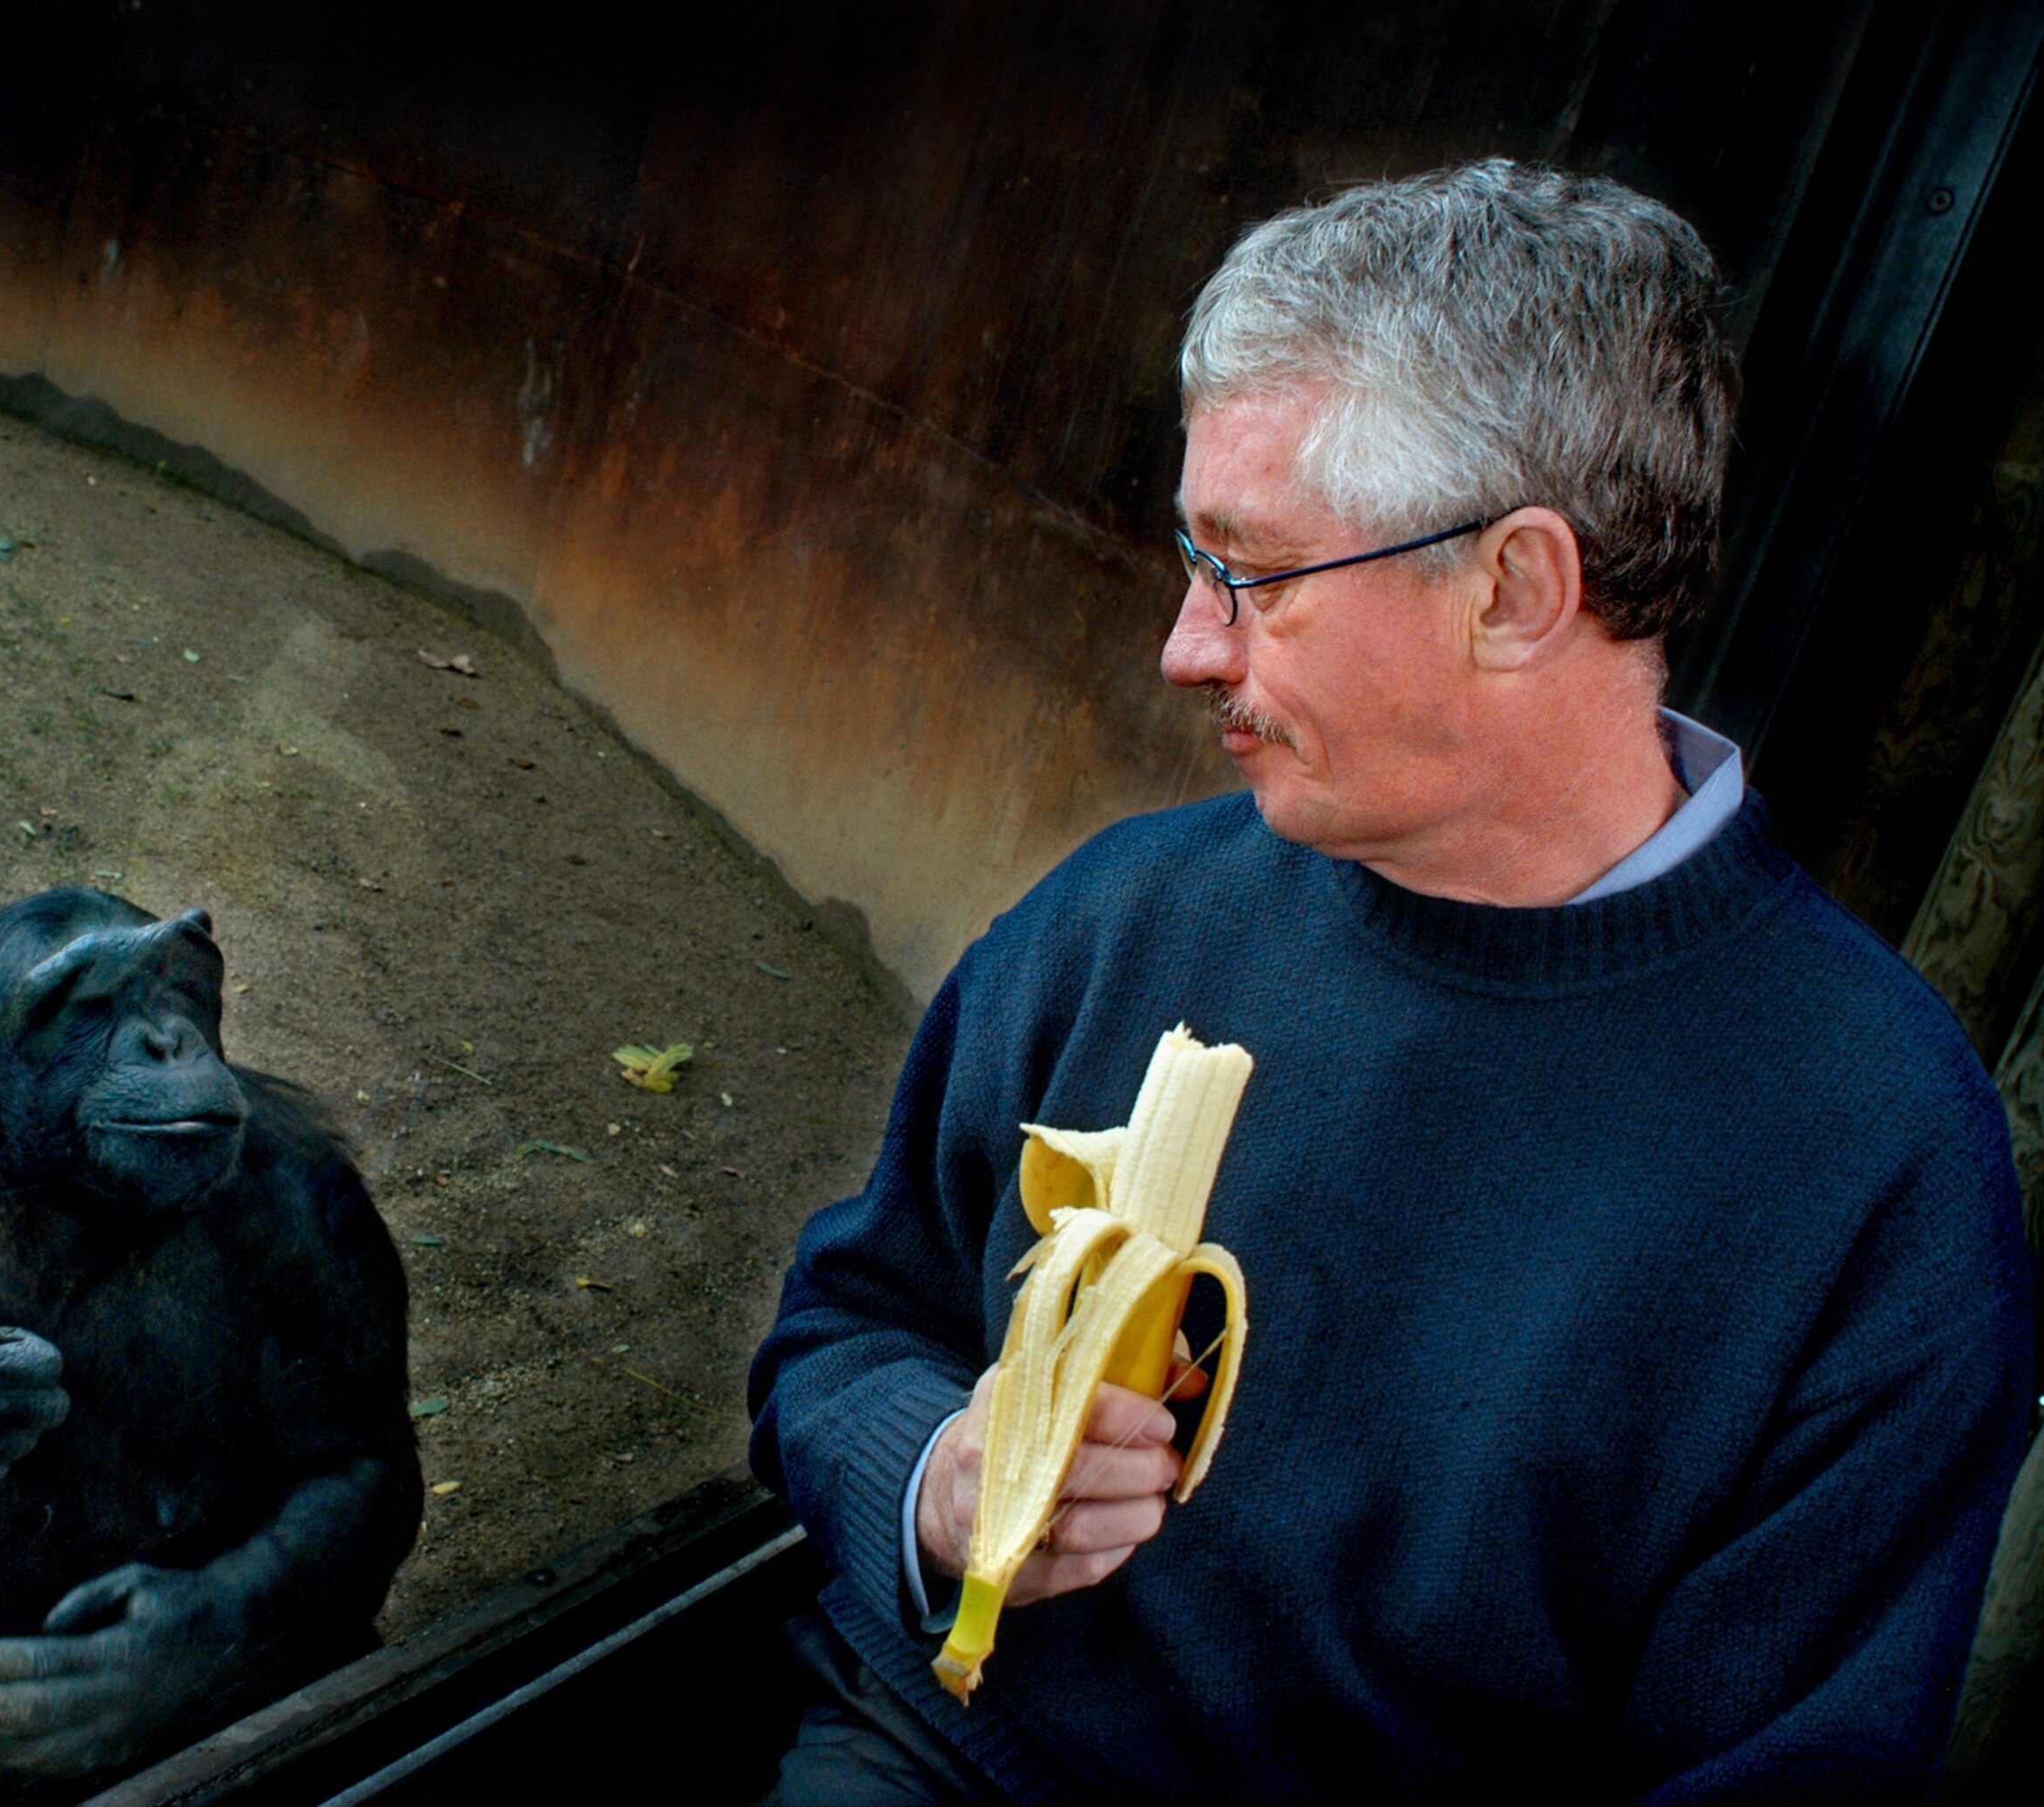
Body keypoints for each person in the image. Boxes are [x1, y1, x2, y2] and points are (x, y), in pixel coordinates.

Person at [747, 160, 2035, 1803]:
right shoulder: (1122, 916)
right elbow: (842, 1329)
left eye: (1254, 570)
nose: (1186, 645)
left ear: (1513, 589)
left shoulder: (1878, 1167)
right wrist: (931, 1480)